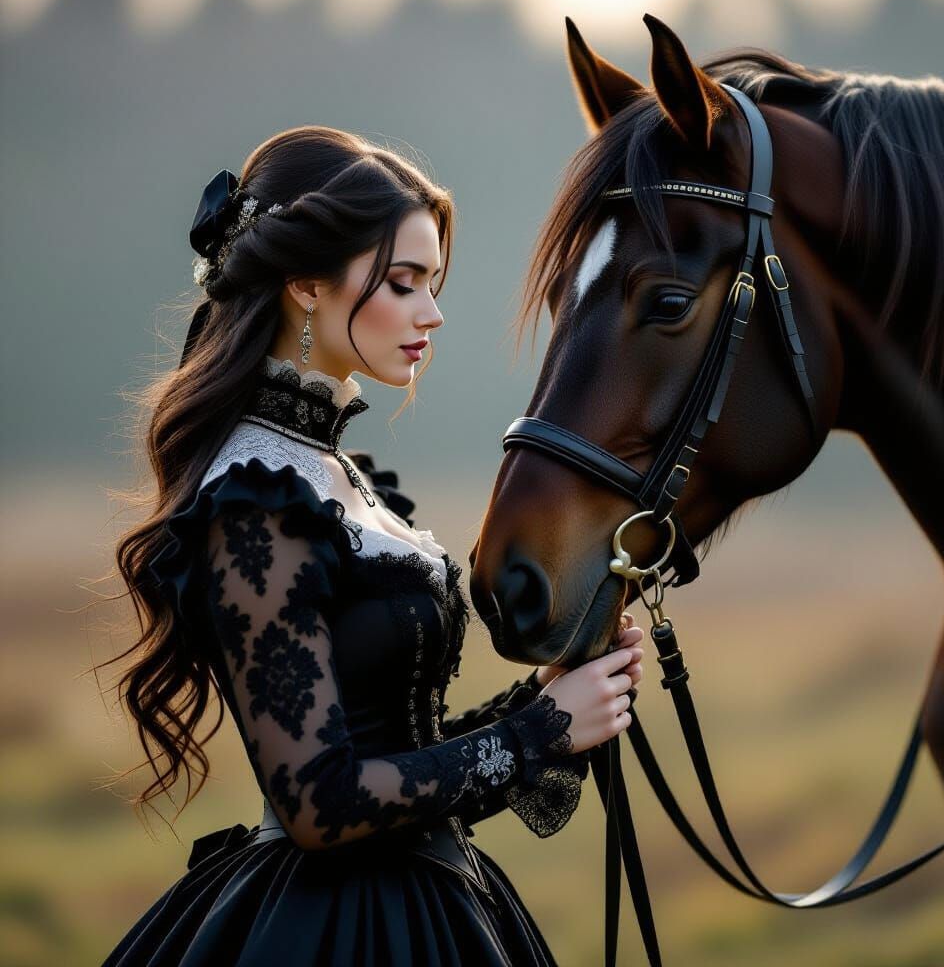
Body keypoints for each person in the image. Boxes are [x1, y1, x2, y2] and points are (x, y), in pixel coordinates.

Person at [99, 126, 645, 966]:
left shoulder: (335, 476)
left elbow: (397, 761)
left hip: (434, 906)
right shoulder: (258, 495)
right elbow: (321, 804)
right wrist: (536, 734)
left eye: (433, 281)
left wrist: (549, 703)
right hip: (330, 932)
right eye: (403, 282)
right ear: (307, 283)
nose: (431, 311)